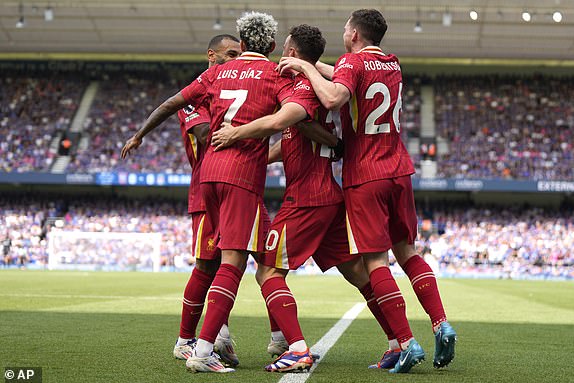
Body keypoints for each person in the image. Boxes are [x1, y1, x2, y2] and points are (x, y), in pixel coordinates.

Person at [211, 24, 404, 371]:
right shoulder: (319, 83)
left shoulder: (302, 86)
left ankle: (296, 348)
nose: (282, 55)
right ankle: (397, 342)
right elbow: (293, 139)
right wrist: (259, 154)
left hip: (307, 197)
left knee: (267, 272)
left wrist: (236, 134)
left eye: (286, 50)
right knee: (358, 274)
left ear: (294, 54)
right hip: (328, 196)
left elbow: (288, 122)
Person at [278, 9, 457, 373]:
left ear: (355, 34)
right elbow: (346, 78)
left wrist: (307, 68)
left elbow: (333, 99)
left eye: (346, 28)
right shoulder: (392, 64)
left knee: (375, 261)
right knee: (408, 252)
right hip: (400, 170)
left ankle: (406, 342)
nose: (343, 33)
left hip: (366, 174)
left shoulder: (351, 62)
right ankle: (441, 322)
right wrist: (312, 68)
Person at [120, 34, 242, 368]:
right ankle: (185, 341)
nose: (235, 60)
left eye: (240, 55)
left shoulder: (226, 90)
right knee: (206, 264)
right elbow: (206, 136)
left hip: (233, 184)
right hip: (206, 191)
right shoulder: (195, 99)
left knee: (228, 264)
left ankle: (220, 335)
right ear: (211, 55)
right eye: (230, 54)